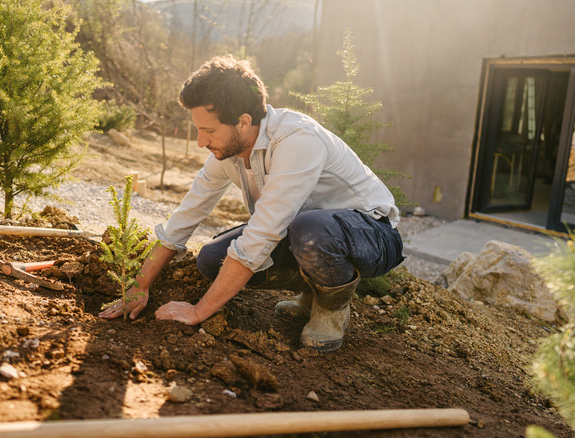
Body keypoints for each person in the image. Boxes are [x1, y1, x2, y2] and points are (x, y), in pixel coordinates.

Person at [99, 55, 404, 352]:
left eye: (208, 130)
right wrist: (139, 284)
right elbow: (185, 218)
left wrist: (197, 311)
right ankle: (310, 291)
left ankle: (331, 307)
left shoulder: (297, 139)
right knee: (211, 260)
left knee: (310, 230)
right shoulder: (227, 153)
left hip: (371, 234)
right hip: (303, 232)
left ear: (243, 122)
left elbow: (262, 234)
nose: (200, 142)